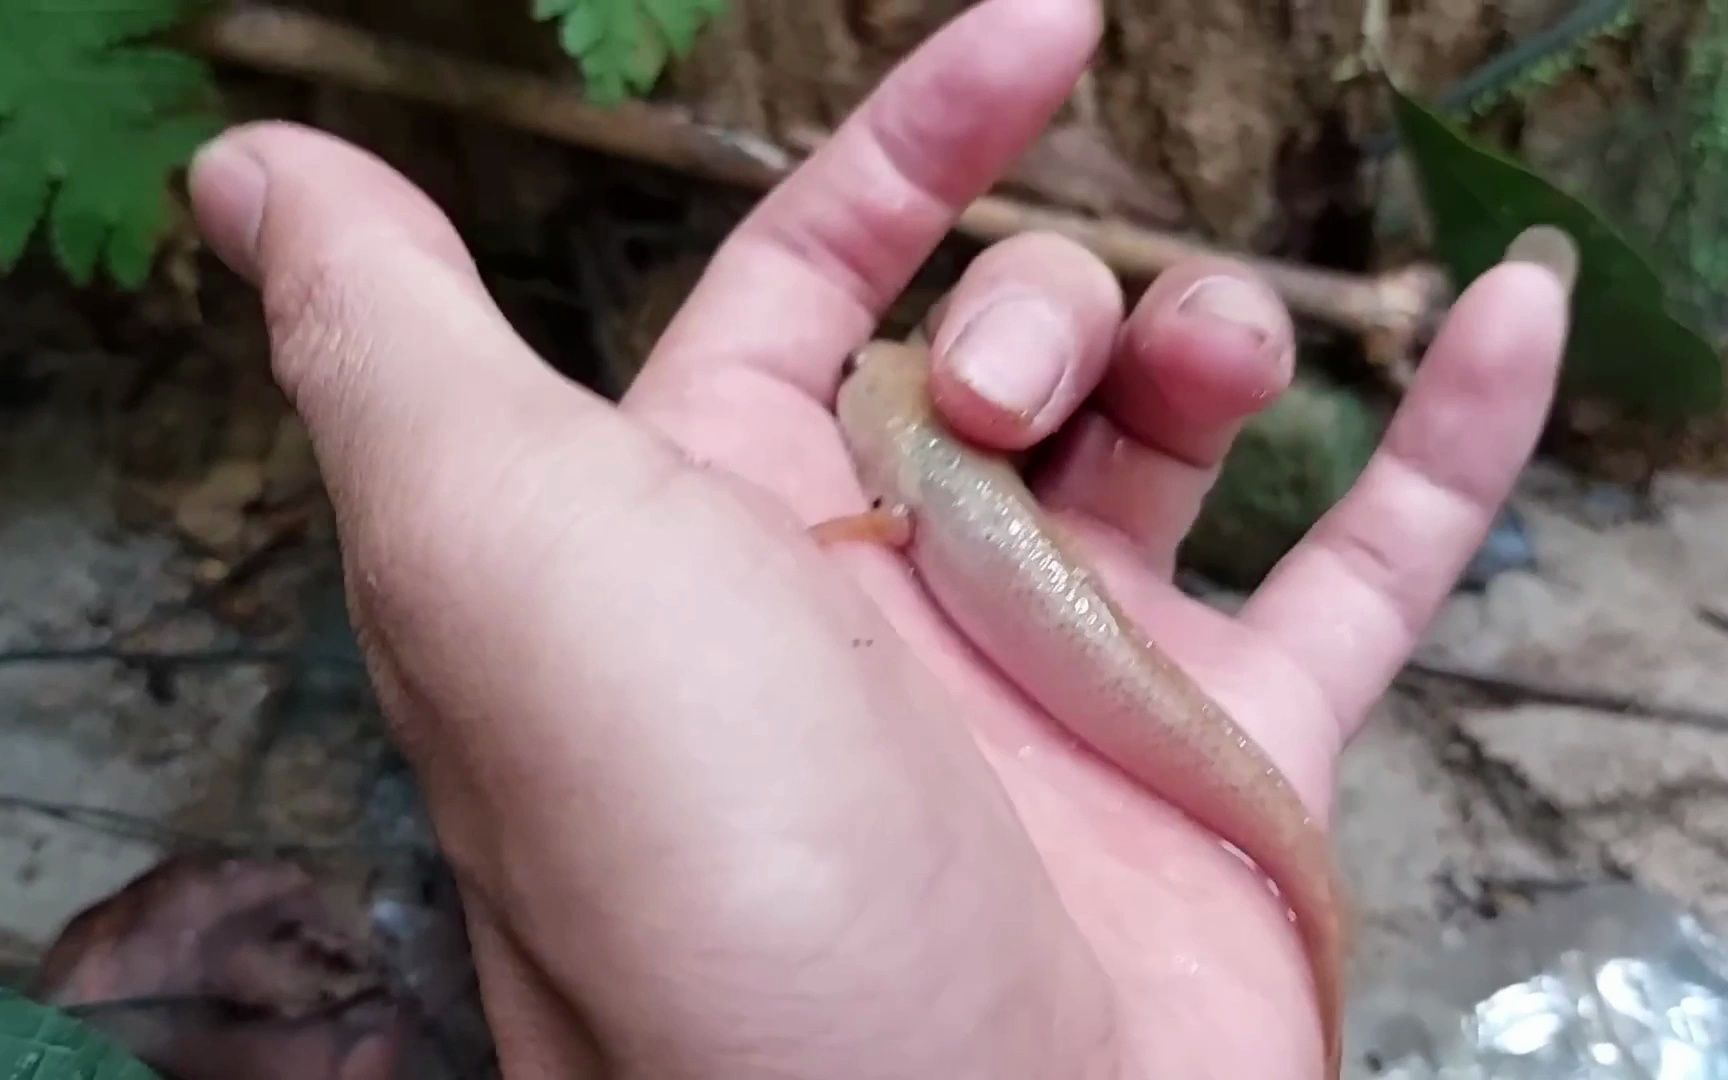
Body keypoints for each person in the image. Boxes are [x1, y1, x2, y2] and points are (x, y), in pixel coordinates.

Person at [185, 0, 1573, 1075]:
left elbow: (888, 512)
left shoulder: (891, 472)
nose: (858, 378)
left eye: (861, 382)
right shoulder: (897, 490)